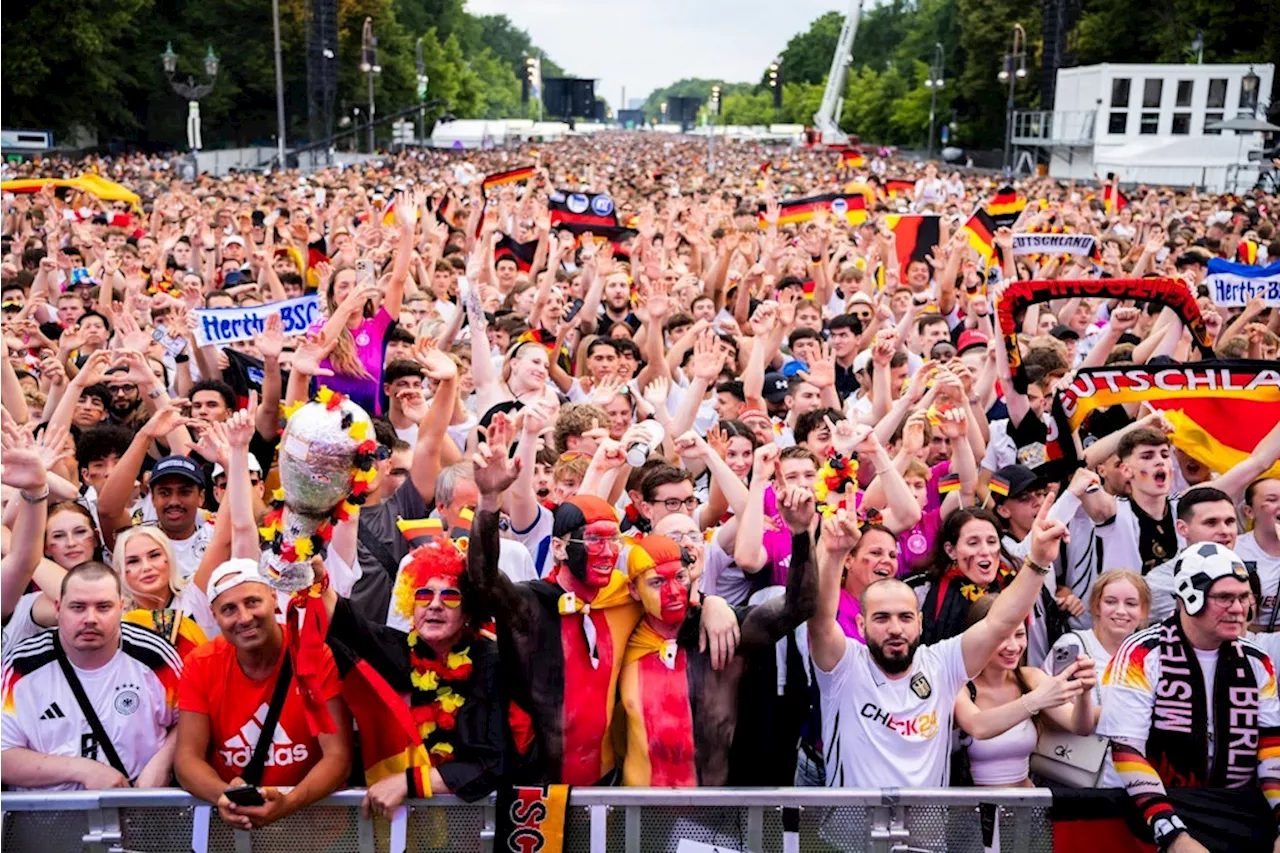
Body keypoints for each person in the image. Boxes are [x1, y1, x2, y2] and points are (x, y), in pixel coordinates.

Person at [467, 435, 741, 785]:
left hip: (607, 783)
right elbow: (484, 578)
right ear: (559, 549)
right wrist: (489, 501)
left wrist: (713, 604)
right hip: (537, 785)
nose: (609, 552)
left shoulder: (625, 598)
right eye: (596, 539)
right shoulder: (531, 604)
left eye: (613, 540)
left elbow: (672, 592)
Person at [807, 487, 1068, 787]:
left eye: (905, 617)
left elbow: (1000, 622)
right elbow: (821, 622)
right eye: (881, 618)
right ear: (861, 625)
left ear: (919, 623)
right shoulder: (844, 666)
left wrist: (1037, 562)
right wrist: (833, 555)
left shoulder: (942, 664)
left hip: (927, 831)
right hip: (854, 831)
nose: (895, 628)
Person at [616, 488, 817, 786]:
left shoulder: (730, 626)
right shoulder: (623, 623)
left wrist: (800, 534)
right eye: (672, 539)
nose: (685, 546)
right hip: (641, 807)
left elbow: (799, 606)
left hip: (717, 807)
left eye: (694, 536)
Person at [307, 537, 510, 815]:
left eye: (450, 596)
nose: (435, 605)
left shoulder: (492, 662)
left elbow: (491, 764)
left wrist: (407, 782)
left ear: (468, 613)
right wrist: (316, 579)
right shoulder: (403, 650)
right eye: (424, 595)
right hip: (414, 822)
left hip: (477, 821)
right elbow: (351, 626)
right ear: (410, 606)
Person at [1099, 542, 1280, 853]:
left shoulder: (1257, 659)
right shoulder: (1140, 653)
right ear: (1189, 596)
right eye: (1224, 598)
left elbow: (1271, 746)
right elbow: (1127, 751)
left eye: (1243, 597)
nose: (1238, 609)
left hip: (1237, 813)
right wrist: (1173, 836)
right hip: (1155, 815)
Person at [174, 559, 351, 830]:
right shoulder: (201, 663)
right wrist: (225, 798)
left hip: (313, 829)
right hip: (234, 831)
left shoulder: (312, 653)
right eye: (229, 609)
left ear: (273, 599)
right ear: (214, 615)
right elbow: (187, 760)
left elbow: (338, 757)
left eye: (252, 602)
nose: (244, 618)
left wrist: (289, 802)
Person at [0, 562, 182, 790]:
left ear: (122, 607)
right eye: (78, 607)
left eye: (103, 607)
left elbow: (192, 720)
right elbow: (3, 756)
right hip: (48, 818)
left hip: (138, 812)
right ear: (57, 608)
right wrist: (81, 770)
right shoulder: (22, 665)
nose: (90, 619)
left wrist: (162, 764)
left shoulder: (155, 656)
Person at [954, 592, 1096, 788]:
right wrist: (1035, 701)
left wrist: (1084, 692)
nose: (1013, 646)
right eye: (1002, 636)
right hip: (976, 812)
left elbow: (1080, 727)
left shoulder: (1031, 678)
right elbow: (978, 727)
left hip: (1027, 806)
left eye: (1020, 634)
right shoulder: (960, 687)